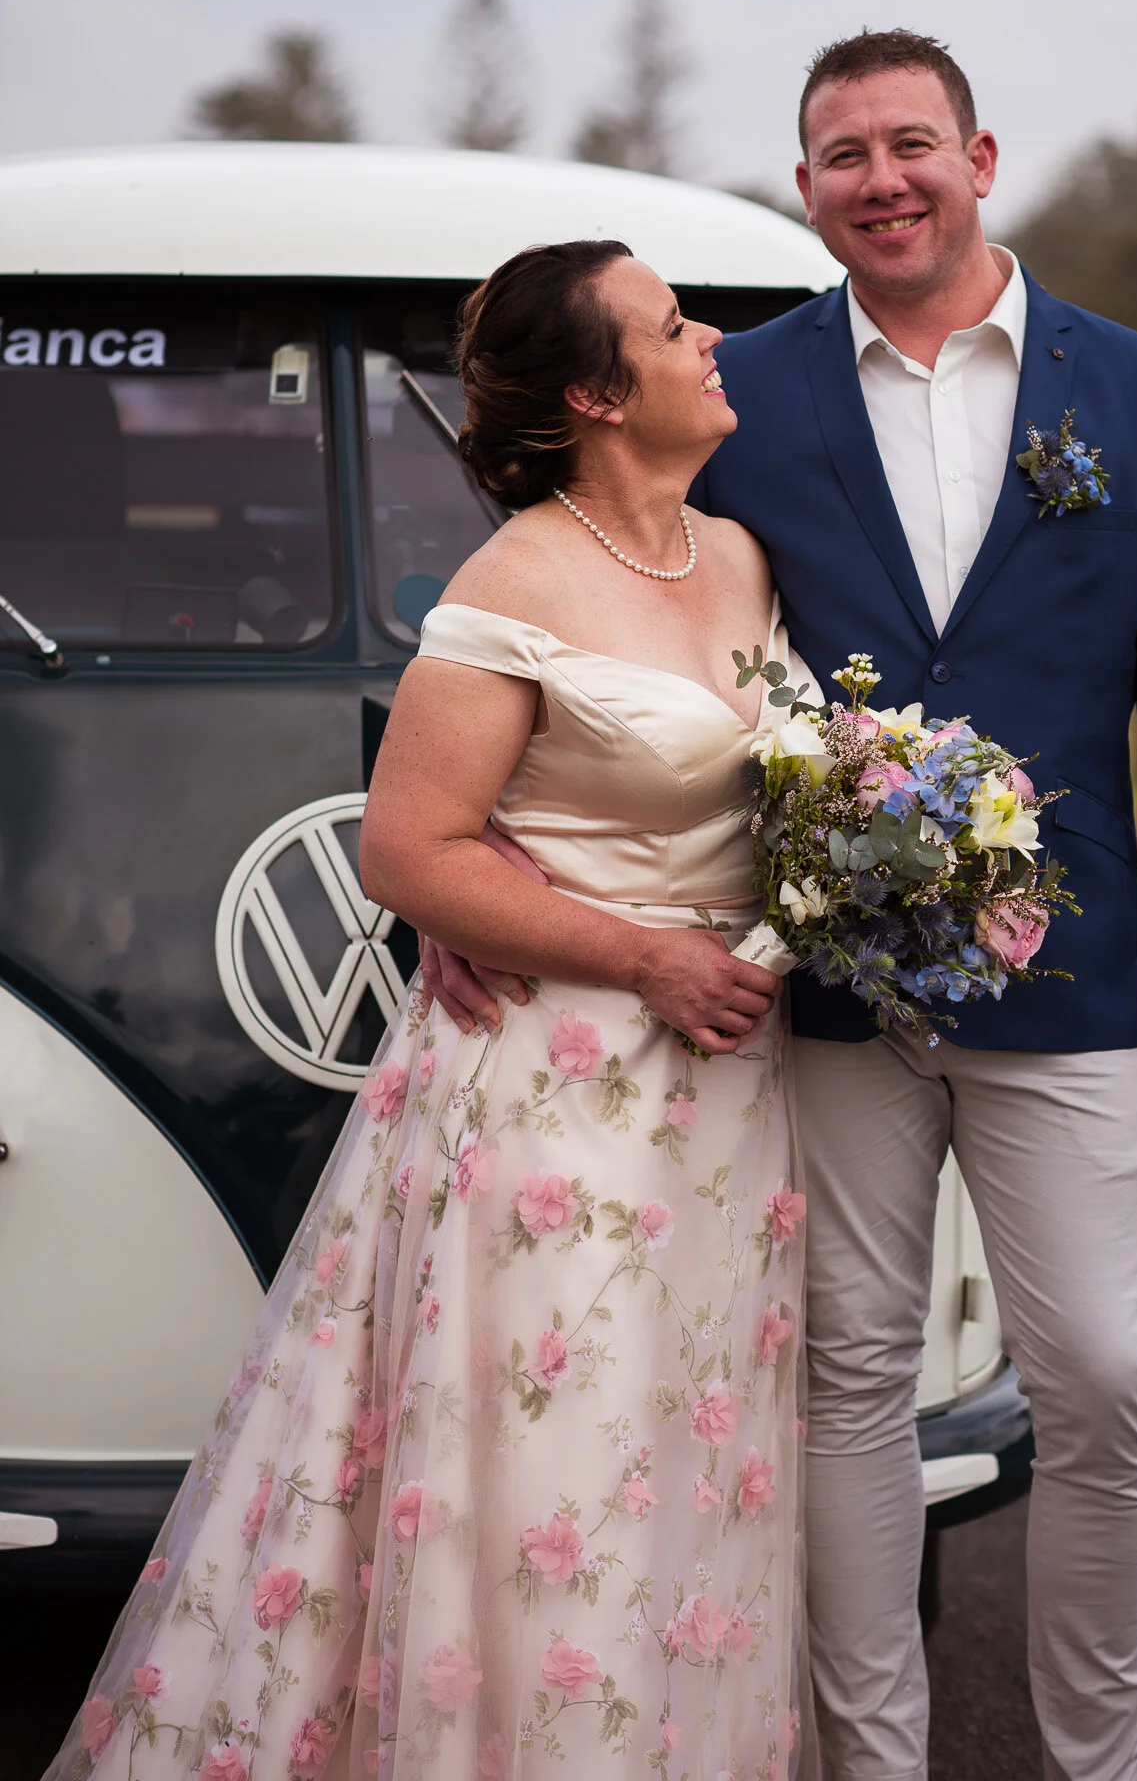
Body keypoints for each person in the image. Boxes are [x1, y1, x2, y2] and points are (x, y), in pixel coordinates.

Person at [428, 32, 1137, 1781]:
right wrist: (480, 869)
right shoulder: (739, 392)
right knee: (849, 1380)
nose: (880, 181)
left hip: (1071, 983)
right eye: (839, 157)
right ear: (803, 186)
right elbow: (590, 607)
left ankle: (1093, 1763)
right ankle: (872, 1764)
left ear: (977, 154)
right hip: (812, 992)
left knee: (1107, 1380)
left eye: (909, 146)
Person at [44, 242, 812, 1780]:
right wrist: (645, 954)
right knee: (561, 1463)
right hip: (557, 1101)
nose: (710, 338)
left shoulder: (736, 554)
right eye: (674, 326)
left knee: (689, 1456)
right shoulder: (510, 582)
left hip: (726, 1098)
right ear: (599, 394)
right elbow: (410, 852)